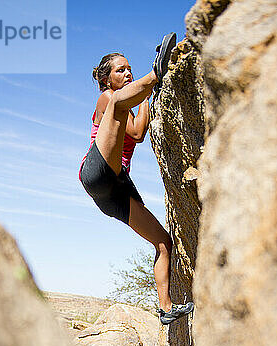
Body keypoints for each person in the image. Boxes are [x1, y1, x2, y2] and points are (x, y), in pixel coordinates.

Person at [79, 33, 194, 325]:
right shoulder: (108, 98)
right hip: (97, 171)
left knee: (163, 242)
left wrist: (149, 96)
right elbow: (129, 126)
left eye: (129, 69)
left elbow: (139, 133)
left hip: (115, 189)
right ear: (106, 79)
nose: (127, 72)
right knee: (119, 103)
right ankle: (157, 69)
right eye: (121, 70)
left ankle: (166, 309)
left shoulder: (126, 104)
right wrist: (155, 77)